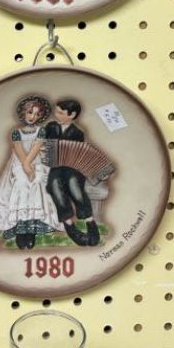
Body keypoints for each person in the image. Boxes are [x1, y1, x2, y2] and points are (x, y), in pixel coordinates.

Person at [0, 95, 60, 250]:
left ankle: (31, 229)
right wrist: (26, 166)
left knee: (37, 182)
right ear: (23, 112)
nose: (32, 116)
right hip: (19, 163)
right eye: (30, 112)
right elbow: (19, 150)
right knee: (21, 184)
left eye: (36, 114)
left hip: (37, 162)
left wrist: (30, 166)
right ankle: (21, 229)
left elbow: (36, 149)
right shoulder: (16, 132)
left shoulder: (41, 131)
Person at [44, 99, 100, 247]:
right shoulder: (51, 127)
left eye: (60, 112)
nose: (56, 114)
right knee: (54, 185)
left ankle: (90, 223)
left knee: (74, 186)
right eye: (56, 111)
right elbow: (43, 144)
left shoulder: (77, 133)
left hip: (73, 168)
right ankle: (70, 226)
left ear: (72, 115)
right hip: (55, 166)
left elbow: (77, 155)